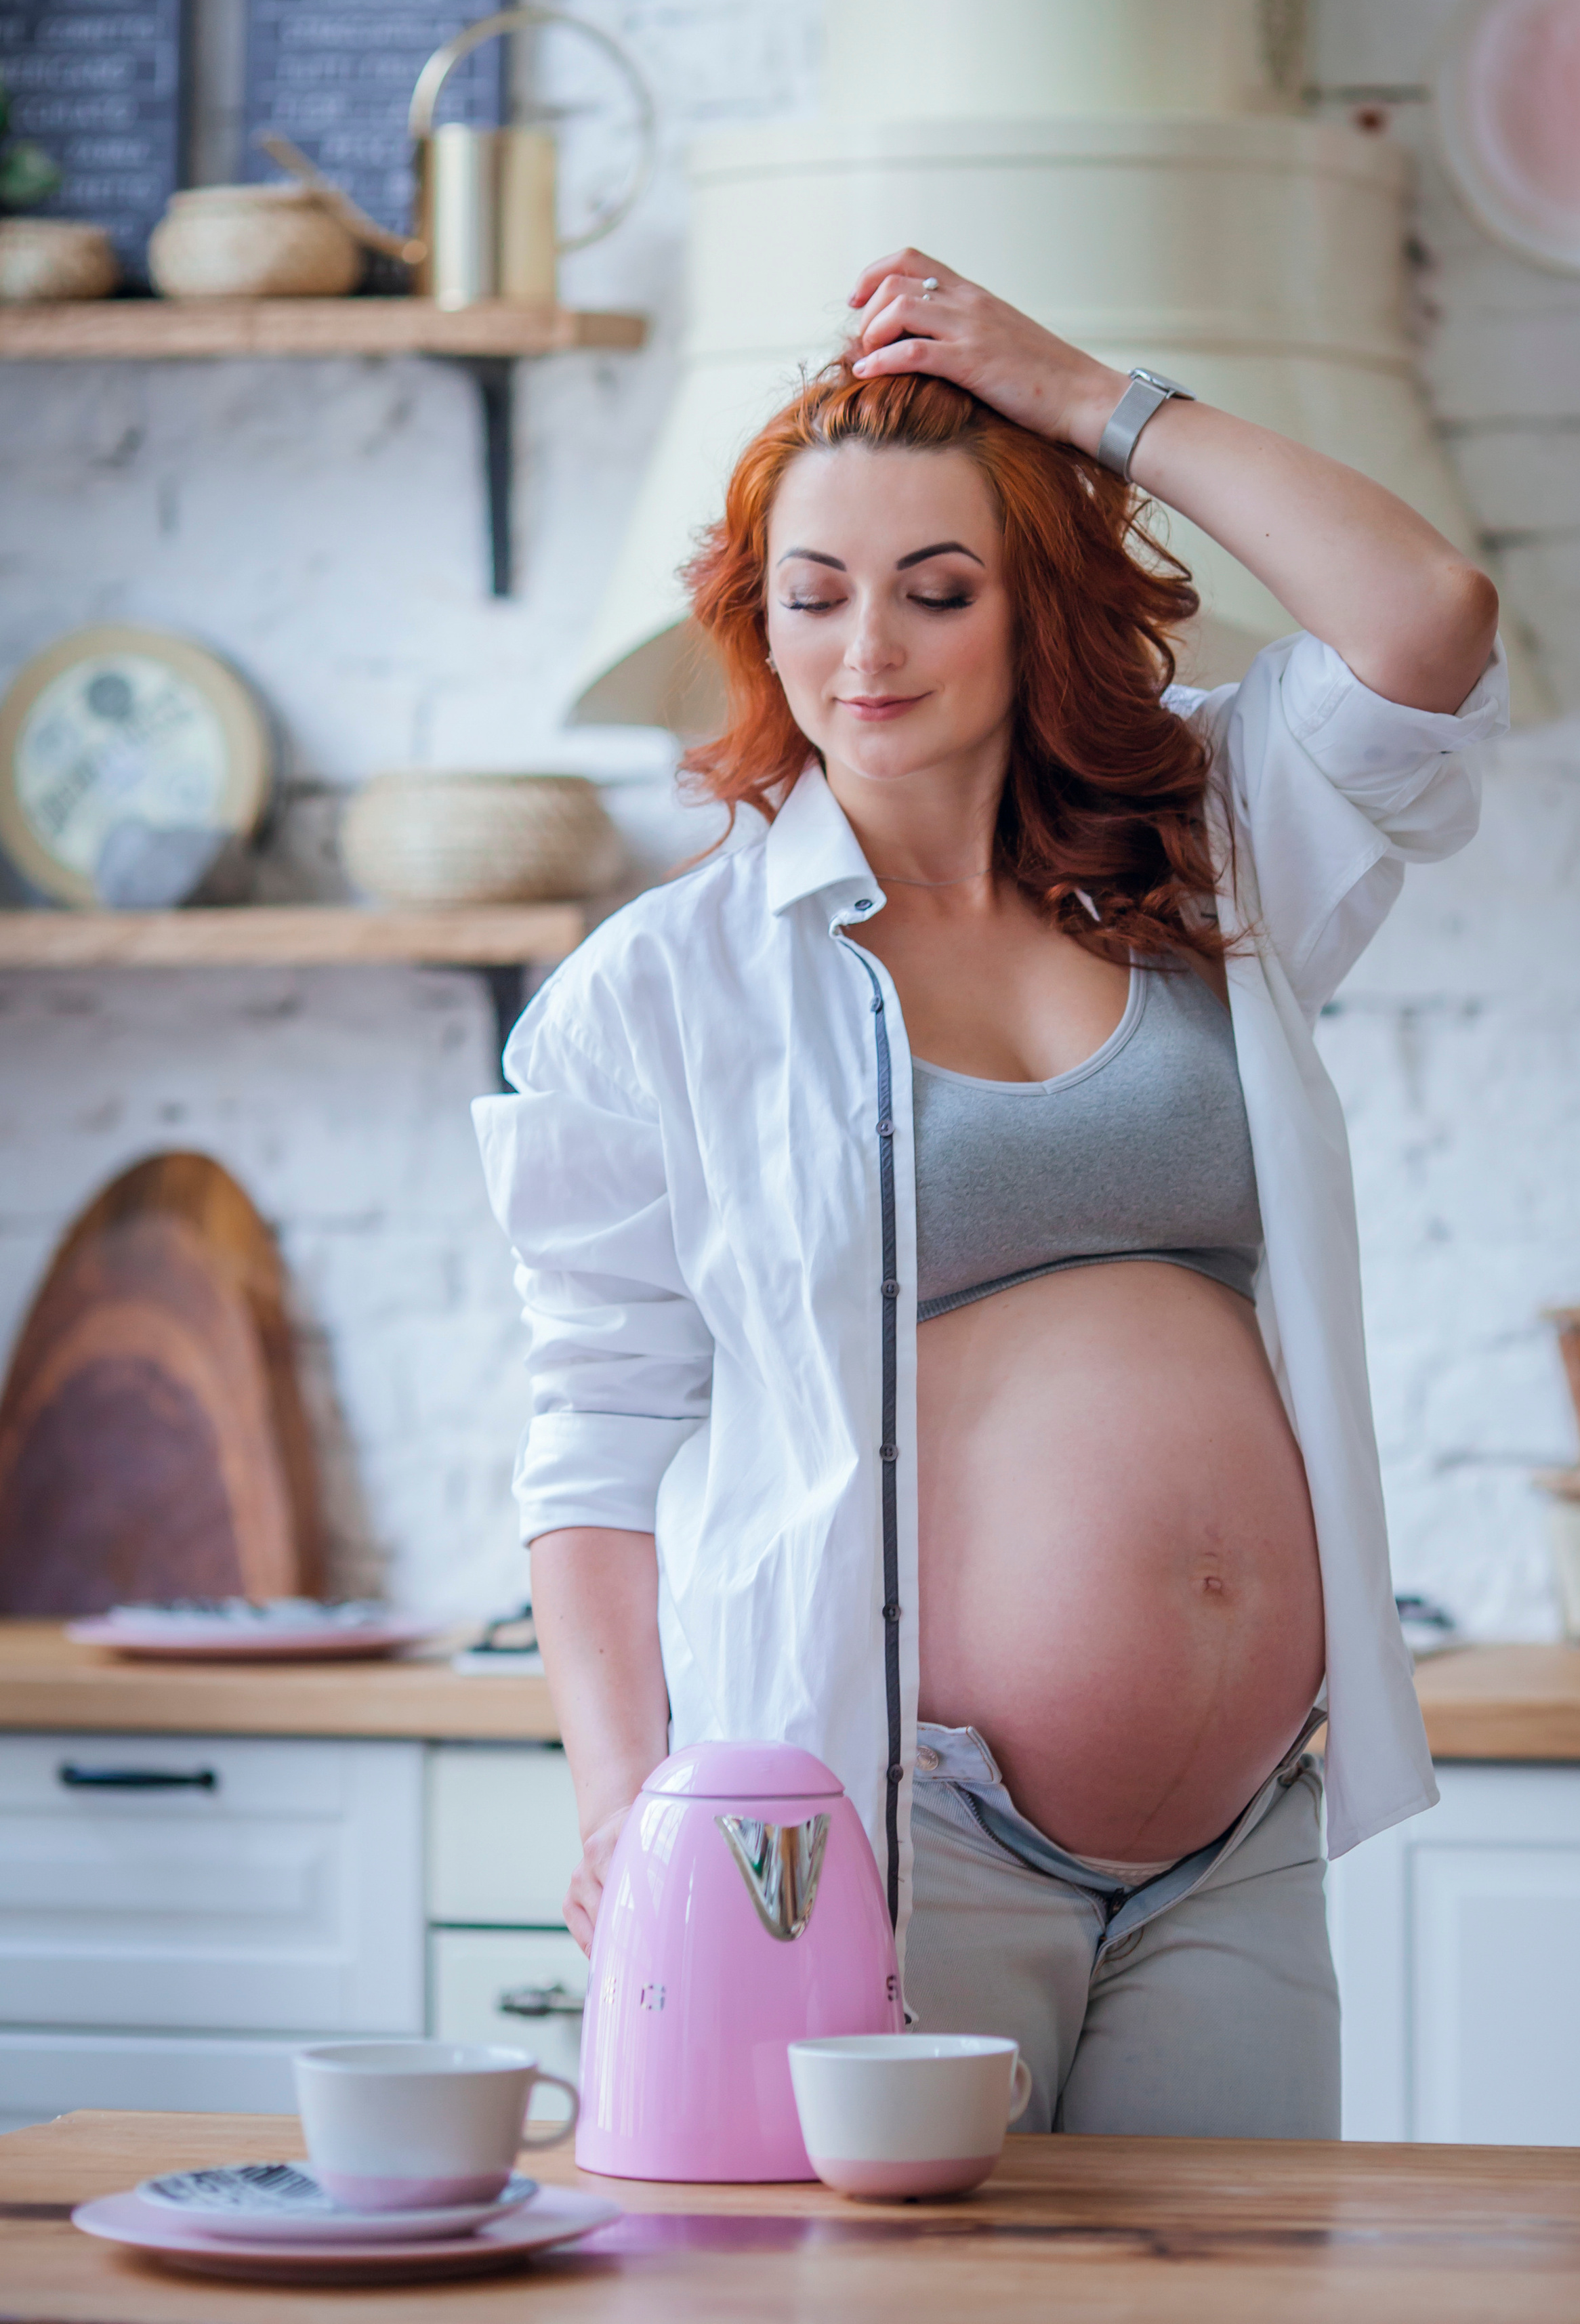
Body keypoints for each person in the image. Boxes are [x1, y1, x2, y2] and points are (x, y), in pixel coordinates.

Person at [474, 249, 1505, 2139]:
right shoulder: (670, 989)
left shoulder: (1212, 847)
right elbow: (597, 1437)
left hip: (1242, 1832)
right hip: (893, 1827)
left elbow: (1428, 619)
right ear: (756, 623)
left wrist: (1092, 395)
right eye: (816, 594)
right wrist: (630, 1806)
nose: (867, 647)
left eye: (938, 591)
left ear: (1036, 610)